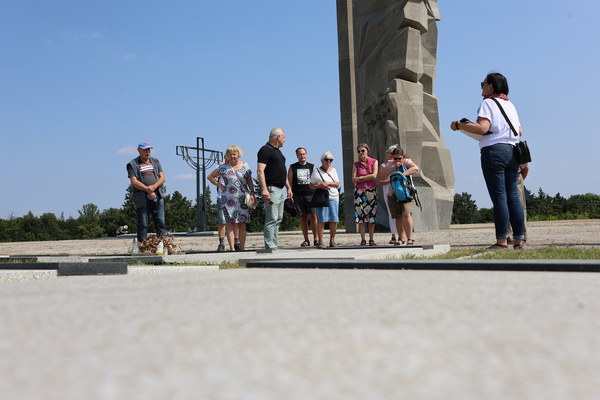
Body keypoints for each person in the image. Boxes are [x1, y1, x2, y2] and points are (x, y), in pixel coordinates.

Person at [450, 72, 525, 250]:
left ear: (490, 86)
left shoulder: (487, 103)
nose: (481, 87)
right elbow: (519, 131)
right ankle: (519, 240)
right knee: (513, 197)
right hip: (513, 152)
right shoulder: (510, 104)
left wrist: (459, 125)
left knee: (499, 198)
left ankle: (501, 241)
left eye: (483, 83)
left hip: (494, 151)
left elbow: (483, 128)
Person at [208, 145, 255, 251]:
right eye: (230, 154)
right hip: (228, 199)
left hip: (243, 198)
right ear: (227, 156)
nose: (232, 156)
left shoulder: (245, 165)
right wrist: (220, 186)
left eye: (234, 154)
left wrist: (252, 192)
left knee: (242, 224)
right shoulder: (223, 167)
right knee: (230, 224)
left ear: (238, 155)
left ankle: (242, 248)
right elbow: (210, 176)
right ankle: (232, 249)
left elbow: (249, 180)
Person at [257, 127, 292, 251]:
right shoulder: (265, 150)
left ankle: (274, 245)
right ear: (278, 137)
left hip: (280, 189)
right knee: (272, 218)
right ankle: (269, 246)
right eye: (284, 137)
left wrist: (288, 187)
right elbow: (260, 170)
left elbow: (282, 171)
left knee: (278, 218)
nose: (284, 140)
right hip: (271, 189)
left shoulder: (278, 152)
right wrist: (264, 189)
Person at [127, 142, 168, 243]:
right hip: (141, 197)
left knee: (160, 221)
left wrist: (153, 188)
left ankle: (163, 243)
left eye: (149, 149)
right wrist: (148, 190)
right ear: (139, 150)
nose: (148, 152)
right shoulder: (132, 164)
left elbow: (162, 178)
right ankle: (143, 245)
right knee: (143, 223)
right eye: (145, 150)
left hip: (157, 195)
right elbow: (134, 182)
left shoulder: (155, 161)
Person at [379, 147, 420, 246]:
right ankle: (401, 238)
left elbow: (416, 168)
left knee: (406, 213)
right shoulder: (390, 164)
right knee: (397, 217)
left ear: (403, 157)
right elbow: (382, 176)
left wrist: (402, 174)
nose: (398, 160)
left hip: (407, 192)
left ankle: (410, 238)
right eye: (395, 158)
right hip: (392, 193)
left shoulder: (406, 161)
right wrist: (393, 167)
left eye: (399, 158)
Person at [309, 151, 341, 249]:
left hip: (333, 197)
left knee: (334, 219)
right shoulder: (316, 171)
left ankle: (332, 240)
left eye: (331, 160)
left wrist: (328, 183)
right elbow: (311, 185)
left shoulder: (334, 170)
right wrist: (320, 186)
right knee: (322, 219)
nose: (329, 162)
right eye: (327, 160)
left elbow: (337, 183)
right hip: (322, 197)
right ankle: (321, 241)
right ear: (322, 160)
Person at [287, 147, 318, 247]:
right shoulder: (292, 167)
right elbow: (289, 182)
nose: (302, 156)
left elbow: (316, 180)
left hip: (311, 194)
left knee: (313, 216)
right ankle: (306, 240)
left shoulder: (312, 166)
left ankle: (316, 239)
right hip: (298, 195)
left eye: (304, 154)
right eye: (300, 154)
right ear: (297, 155)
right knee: (303, 217)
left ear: (306, 155)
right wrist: (289, 192)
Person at [352, 143, 379, 246]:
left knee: (371, 215)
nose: (361, 153)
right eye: (359, 151)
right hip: (359, 191)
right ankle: (363, 239)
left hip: (371, 190)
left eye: (363, 150)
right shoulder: (356, 164)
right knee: (361, 216)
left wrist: (360, 178)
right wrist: (366, 177)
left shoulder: (374, 161)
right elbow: (353, 179)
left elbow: (374, 176)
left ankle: (371, 239)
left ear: (367, 151)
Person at [379, 145, 405, 245]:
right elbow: (381, 180)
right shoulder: (384, 166)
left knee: (402, 212)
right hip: (388, 190)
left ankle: (402, 235)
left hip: (400, 190)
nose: (392, 155)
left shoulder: (401, 163)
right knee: (392, 213)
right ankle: (393, 234)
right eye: (390, 153)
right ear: (387, 154)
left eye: (394, 153)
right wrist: (393, 179)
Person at [508, 163, 530, 243]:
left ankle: (521, 236)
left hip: (515, 176)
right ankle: (508, 236)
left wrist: (520, 181)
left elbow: (525, 167)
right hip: (500, 176)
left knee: (518, 206)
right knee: (503, 206)